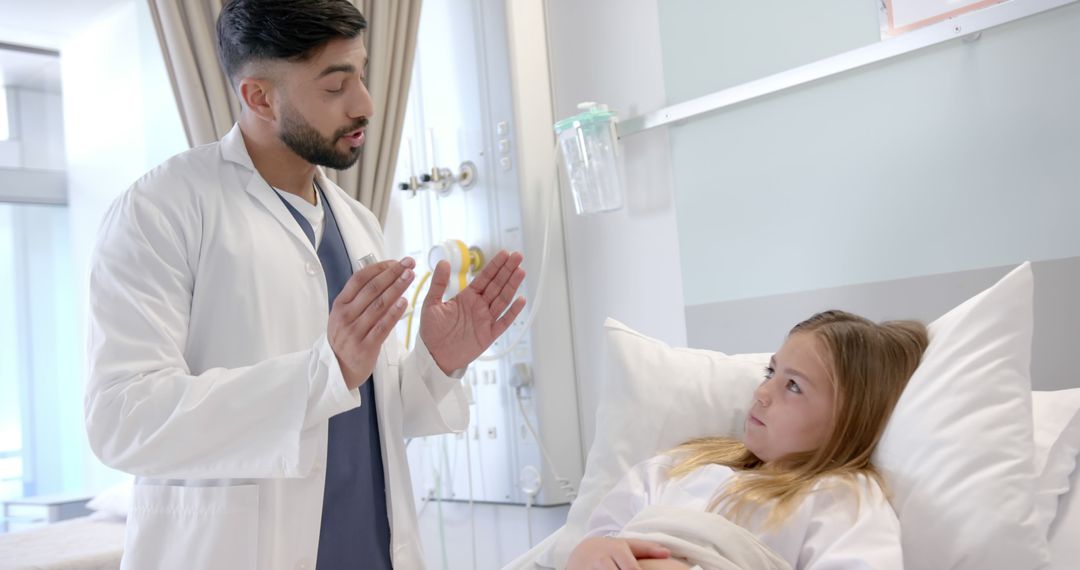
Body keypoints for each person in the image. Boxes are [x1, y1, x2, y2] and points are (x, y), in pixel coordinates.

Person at [83, 1, 526, 568]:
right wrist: (322, 372)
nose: (365, 104)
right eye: (335, 86)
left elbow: (372, 420)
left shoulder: (358, 222)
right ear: (260, 98)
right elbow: (123, 420)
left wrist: (436, 363)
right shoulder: (160, 210)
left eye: (361, 76)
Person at [567, 310, 929, 570]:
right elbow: (604, 532)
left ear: (848, 420)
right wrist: (589, 551)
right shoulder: (681, 466)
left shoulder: (841, 497)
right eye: (771, 372)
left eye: (793, 385)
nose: (762, 392)